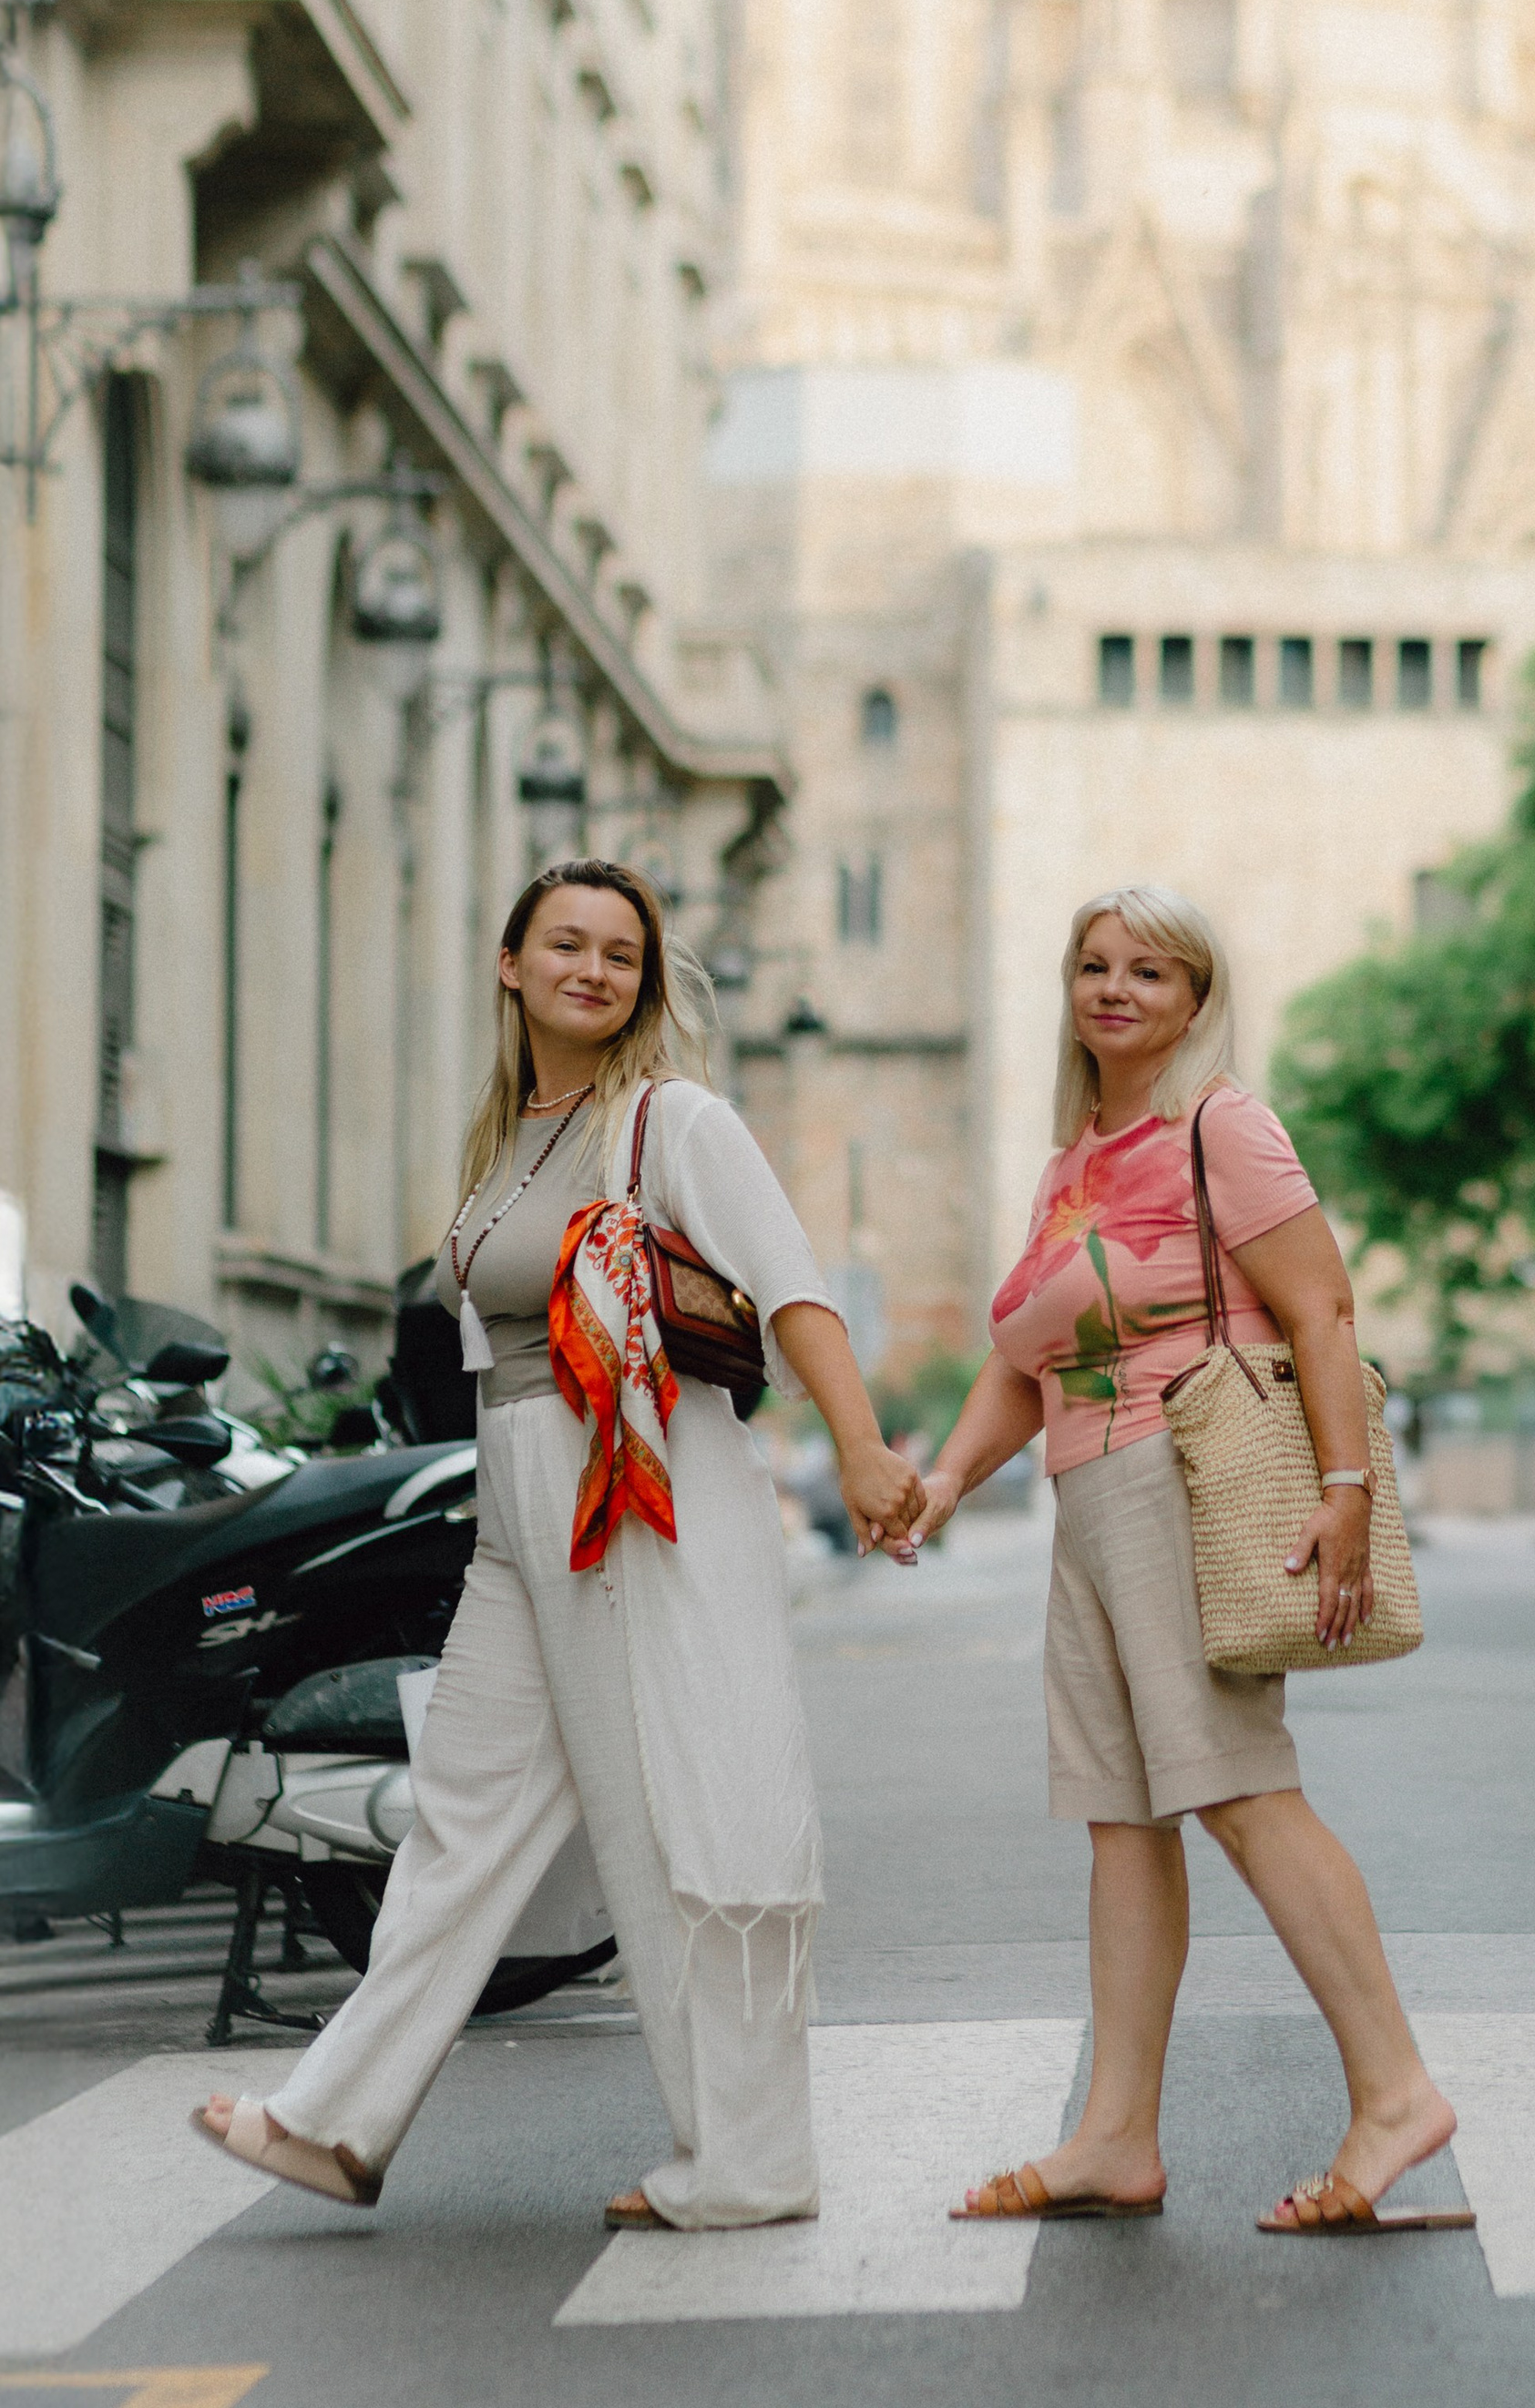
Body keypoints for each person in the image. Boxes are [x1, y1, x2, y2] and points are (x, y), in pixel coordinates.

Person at [192, 857, 924, 2227]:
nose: (593, 969)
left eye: (620, 953)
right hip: (521, 1499)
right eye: (567, 944)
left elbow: (790, 1284)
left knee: (670, 1816)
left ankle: (749, 2159)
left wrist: (864, 1448)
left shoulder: (671, 1120)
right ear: (510, 963)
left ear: (644, 983)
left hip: (636, 1486)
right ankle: (333, 2121)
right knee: (461, 1814)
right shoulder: (506, 1137)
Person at [916, 883, 1460, 2236]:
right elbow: (1025, 1361)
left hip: (1185, 1475)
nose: (1116, 989)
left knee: (1239, 1789)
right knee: (1122, 1813)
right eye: (1095, 966)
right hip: (1087, 1495)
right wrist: (942, 1481)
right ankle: (1116, 2135)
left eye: (1150, 971)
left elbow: (1321, 1306)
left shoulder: (1223, 1125)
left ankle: (1396, 2090)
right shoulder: (1072, 1165)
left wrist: (1343, 1488)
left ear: (1195, 999)